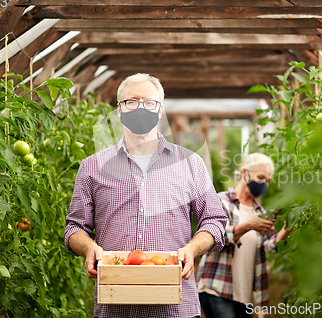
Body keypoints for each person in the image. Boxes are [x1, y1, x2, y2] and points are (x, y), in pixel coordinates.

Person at [64, 73, 227, 318]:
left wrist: (192, 249)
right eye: (132, 102)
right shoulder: (92, 166)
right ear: (119, 110)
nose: (141, 108)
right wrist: (88, 248)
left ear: (160, 111)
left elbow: (214, 220)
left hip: (176, 308)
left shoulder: (190, 163)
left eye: (149, 102)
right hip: (115, 308)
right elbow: (75, 227)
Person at [196, 153, 291, 318]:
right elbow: (213, 238)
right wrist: (248, 225)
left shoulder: (260, 212)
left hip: (245, 293)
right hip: (217, 286)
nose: (264, 184)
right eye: (261, 177)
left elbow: (271, 245)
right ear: (245, 173)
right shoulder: (221, 201)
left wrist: (288, 228)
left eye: (268, 180)